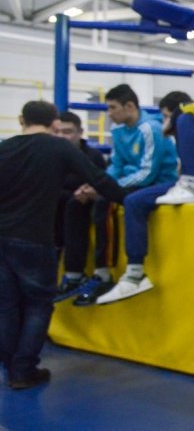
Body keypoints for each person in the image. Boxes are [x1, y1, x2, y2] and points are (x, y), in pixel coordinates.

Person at [1, 101, 126, 389]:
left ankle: (11, 368)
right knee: (38, 305)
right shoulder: (58, 148)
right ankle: (24, 369)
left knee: (5, 306)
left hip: (2, 236)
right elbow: (98, 179)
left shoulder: (4, 148)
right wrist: (129, 201)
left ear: (22, 120)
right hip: (35, 238)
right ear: (55, 123)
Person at [96, 91, 194, 305]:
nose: (165, 123)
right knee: (133, 202)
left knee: (185, 119)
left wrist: (172, 119)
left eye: (166, 116)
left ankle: (188, 184)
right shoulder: (136, 129)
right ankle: (135, 274)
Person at [71, 84, 178, 305]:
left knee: (104, 202)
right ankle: (73, 271)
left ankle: (104, 272)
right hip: (129, 183)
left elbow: (148, 173)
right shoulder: (118, 131)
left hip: (158, 183)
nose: (109, 113)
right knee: (75, 203)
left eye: (112, 108)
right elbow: (116, 166)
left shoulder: (151, 128)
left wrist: (106, 188)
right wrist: (96, 184)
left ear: (129, 106)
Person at [52, 111, 112, 302]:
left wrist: (87, 192)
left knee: (74, 204)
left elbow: (102, 184)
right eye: (58, 132)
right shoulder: (50, 157)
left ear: (80, 132)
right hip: (54, 221)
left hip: (80, 209)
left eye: (68, 132)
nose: (62, 137)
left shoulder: (92, 157)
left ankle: (75, 274)